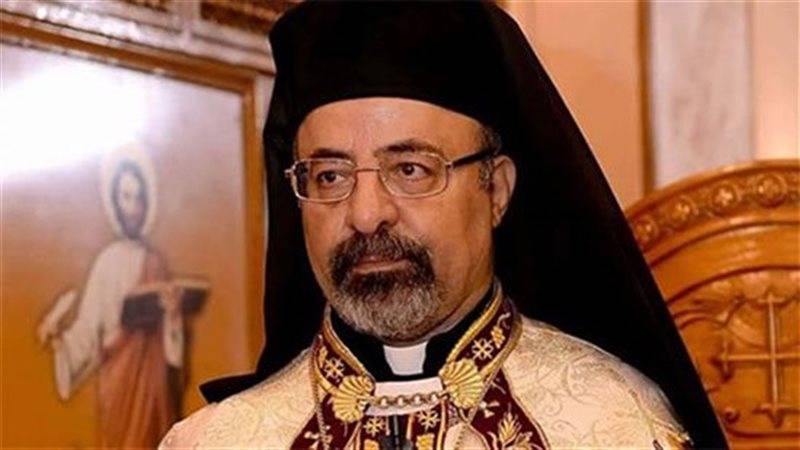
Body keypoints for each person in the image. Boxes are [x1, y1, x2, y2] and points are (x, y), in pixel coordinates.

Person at [160, 2, 727, 449]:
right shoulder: (217, 440)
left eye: (410, 169)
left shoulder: (616, 426)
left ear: (496, 190)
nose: (365, 214)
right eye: (330, 176)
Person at [38, 150, 186, 448]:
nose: (133, 207)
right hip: (118, 382)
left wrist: (172, 315)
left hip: (152, 387)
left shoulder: (155, 262)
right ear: (116, 203)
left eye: (138, 198)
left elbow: (172, 354)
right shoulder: (107, 262)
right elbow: (88, 330)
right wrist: (59, 340)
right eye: (126, 197)